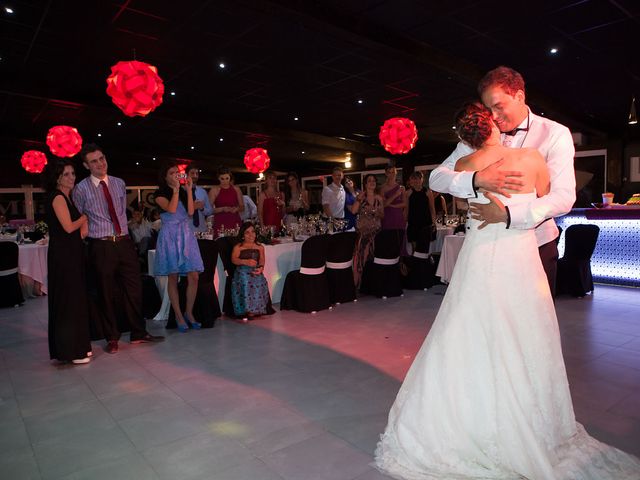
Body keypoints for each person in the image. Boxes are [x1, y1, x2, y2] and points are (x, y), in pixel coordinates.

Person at [375, 103, 640, 479]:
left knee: (470, 334)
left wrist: (483, 191)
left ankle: (472, 418)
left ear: (463, 137)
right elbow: (548, 197)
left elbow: (450, 190)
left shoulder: (467, 165)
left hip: (480, 257)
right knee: (525, 336)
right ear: (494, 126)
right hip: (520, 256)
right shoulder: (530, 159)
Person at [429, 66, 576, 295]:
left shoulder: (554, 134)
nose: (494, 117)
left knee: (529, 324)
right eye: (488, 109)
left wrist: (508, 215)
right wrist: (476, 179)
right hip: (484, 249)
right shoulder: (478, 135)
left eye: (498, 106)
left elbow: (564, 198)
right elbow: (436, 179)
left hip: (535, 246)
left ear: (519, 96)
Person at [73, 143, 164, 354]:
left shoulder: (119, 183)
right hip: (101, 244)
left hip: (124, 241)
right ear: (87, 166)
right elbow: (79, 217)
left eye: (102, 158)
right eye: (94, 161)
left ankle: (138, 332)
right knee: (106, 293)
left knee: (135, 288)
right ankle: (112, 337)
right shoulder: (81, 189)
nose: (100, 164)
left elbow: (121, 214)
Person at [45, 160, 92, 364]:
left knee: (75, 300)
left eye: (73, 173)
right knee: (68, 301)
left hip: (71, 253)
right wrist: (83, 218)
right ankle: (70, 351)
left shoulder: (68, 198)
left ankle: (78, 346)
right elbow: (68, 227)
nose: (71, 177)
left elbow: (79, 233)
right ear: (57, 178)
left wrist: (83, 222)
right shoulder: (57, 198)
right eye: (66, 174)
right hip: (63, 257)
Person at [154, 162, 204, 332]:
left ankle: (189, 312)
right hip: (170, 236)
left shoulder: (182, 191)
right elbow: (172, 208)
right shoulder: (159, 193)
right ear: (165, 176)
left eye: (177, 172)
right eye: (172, 172)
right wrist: (176, 190)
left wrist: (189, 190)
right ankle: (178, 315)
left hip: (185, 234)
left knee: (194, 276)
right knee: (173, 276)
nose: (176, 175)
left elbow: (190, 212)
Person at [231, 222, 274, 322]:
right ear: (242, 235)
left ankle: (257, 309)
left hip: (255, 270)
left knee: (260, 280)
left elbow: (262, 260)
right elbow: (233, 260)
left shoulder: (260, 247)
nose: (251, 235)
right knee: (245, 279)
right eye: (247, 232)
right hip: (242, 271)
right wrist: (244, 261)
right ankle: (247, 310)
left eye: (253, 232)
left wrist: (261, 268)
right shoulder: (238, 247)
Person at [351, 174, 384, 288]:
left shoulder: (379, 198)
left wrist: (375, 211)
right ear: (365, 184)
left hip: (376, 232)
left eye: (374, 181)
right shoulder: (361, 196)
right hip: (363, 233)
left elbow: (382, 215)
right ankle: (360, 284)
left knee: (375, 258)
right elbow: (354, 211)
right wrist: (359, 199)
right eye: (369, 181)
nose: (372, 182)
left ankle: (373, 284)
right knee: (361, 259)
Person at [208, 166, 243, 237]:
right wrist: (222, 209)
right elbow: (208, 210)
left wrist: (236, 209)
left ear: (230, 178)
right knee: (221, 245)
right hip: (220, 223)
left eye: (227, 178)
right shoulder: (214, 190)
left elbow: (242, 207)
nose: (225, 181)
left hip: (234, 221)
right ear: (218, 178)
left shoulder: (236, 189)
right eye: (222, 179)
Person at [405, 171, 435, 253]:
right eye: (414, 179)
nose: (416, 181)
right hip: (413, 224)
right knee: (415, 249)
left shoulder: (428, 192)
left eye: (418, 179)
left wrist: (434, 223)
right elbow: (406, 209)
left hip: (426, 224)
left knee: (425, 249)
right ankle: (415, 265)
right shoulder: (408, 193)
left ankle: (424, 264)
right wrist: (404, 223)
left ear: (422, 180)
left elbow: (432, 209)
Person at [187, 164, 213, 233]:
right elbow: (178, 214)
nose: (195, 176)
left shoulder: (202, 192)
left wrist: (202, 208)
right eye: (192, 173)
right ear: (186, 175)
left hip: (201, 230)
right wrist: (193, 207)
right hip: (187, 231)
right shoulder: (181, 192)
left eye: (197, 173)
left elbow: (210, 211)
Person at [380, 163, 407, 231]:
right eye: (389, 172)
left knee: (399, 240)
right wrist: (395, 195)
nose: (392, 175)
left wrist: (392, 205)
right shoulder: (382, 188)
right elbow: (383, 204)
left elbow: (404, 204)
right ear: (386, 174)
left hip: (398, 216)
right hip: (387, 217)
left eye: (393, 172)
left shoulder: (401, 188)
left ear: (396, 173)